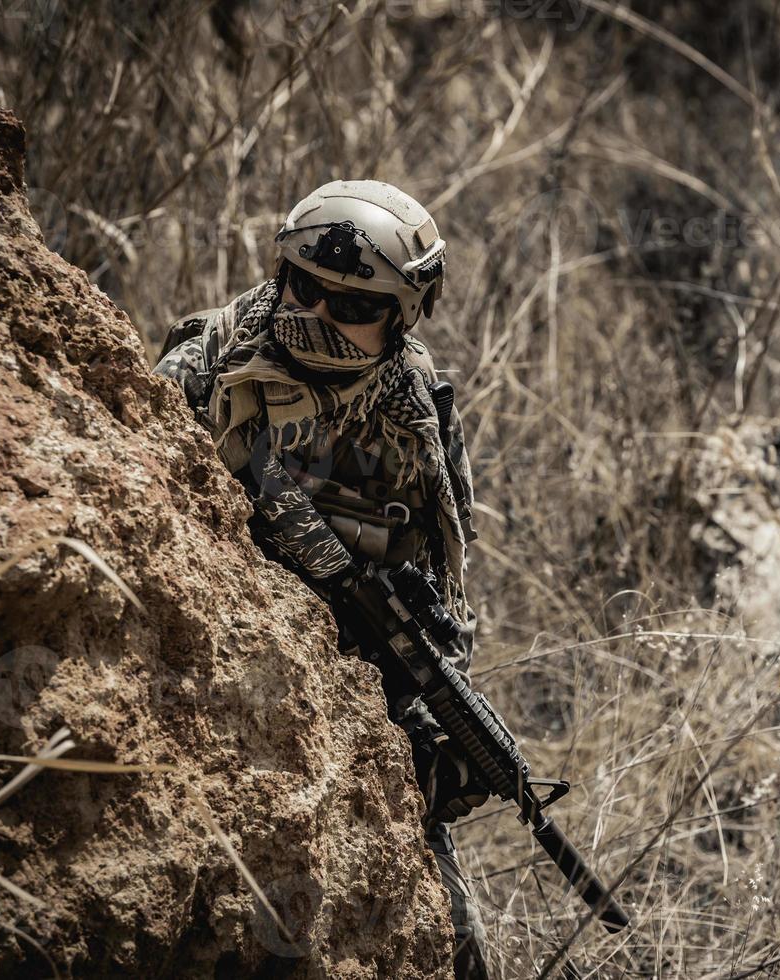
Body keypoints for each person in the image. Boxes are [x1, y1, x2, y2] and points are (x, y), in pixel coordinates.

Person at [155, 179, 491, 979]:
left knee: (454, 943)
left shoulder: (415, 408)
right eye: (304, 288)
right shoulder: (215, 358)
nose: (318, 316)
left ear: (404, 312)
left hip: (355, 692)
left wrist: (432, 726)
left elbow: (442, 581)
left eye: (352, 305)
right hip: (202, 670)